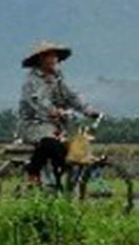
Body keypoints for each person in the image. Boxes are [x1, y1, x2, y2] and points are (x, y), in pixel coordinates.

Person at [17, 42, 99, 185]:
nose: (54, 59)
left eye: (56, 56)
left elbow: (71, 96)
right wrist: (53, 111)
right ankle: (33, 172)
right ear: (41, 58)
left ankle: (61, 183)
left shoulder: (57, 78)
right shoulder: (32, 81)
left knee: (73, 149)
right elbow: (37, 101)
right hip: (34, 125)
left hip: (56, 126)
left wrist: (87, 110)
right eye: (51, 55)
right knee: (51, 144)